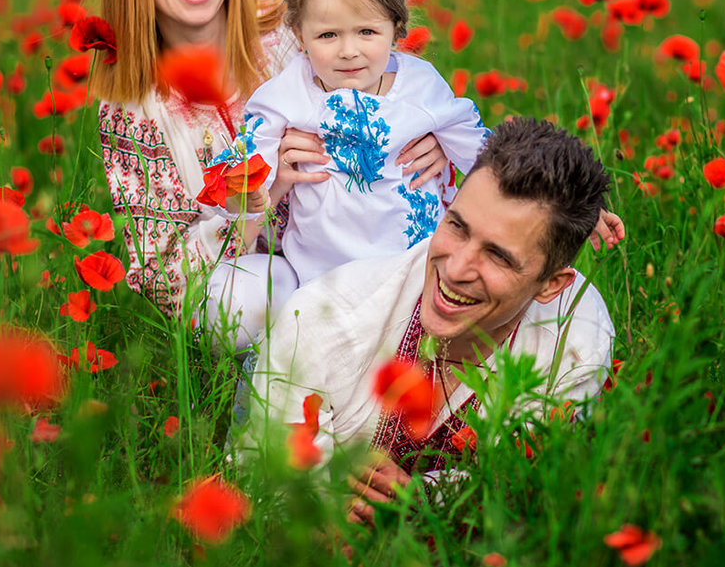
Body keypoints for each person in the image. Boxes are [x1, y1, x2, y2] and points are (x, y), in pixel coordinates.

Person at [93, 0, 447, 329]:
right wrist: (261, 191)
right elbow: (161, 273)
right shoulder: (131, 107)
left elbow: (388, 71)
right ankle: (271, 381)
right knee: (252, 296)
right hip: (267, 283)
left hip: (370, 238)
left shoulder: (292, 24)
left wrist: (431, 135)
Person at [241, 117, 616, 525]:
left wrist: (424, 497)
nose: (456, 269)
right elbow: (266, 476)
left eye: (498, 256)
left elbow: (529, 489)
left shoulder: (576, 341)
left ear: (551, 284)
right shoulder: (318, 319)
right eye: (456, 226)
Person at [205, 0, 490, 349]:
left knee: (413, 350)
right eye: (328, 36)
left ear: (397, 28)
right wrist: (244, 194)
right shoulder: (288, 94)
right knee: (321, 353)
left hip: (413, 270)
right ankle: (268, 377)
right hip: (321, 276)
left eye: (367, 31)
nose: (349, 51)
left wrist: (567, 207)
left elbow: (487, 156)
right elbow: (249, 159)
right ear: (298, 35)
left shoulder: (421, 88)